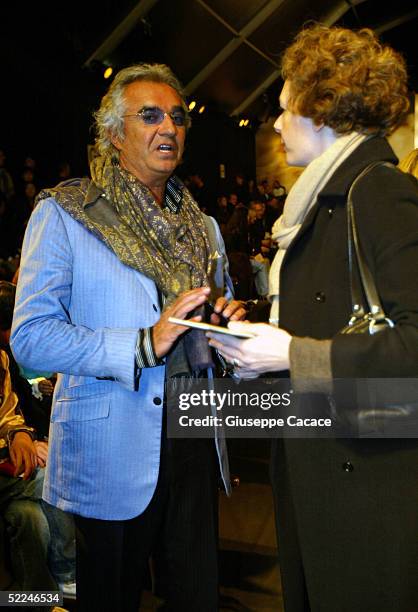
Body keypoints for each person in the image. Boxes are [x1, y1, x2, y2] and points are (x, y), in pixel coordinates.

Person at [11, 63, 245, 612]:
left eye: (178, 117)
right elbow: (31, 339)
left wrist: (225, 333)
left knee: (195, 596)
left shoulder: (203, 226)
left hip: (193, 435)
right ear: (115, 134)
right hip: (109, 447)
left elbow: (211, 327)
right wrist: (142, 343)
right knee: (109, 598)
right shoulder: (66, 211)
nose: (170, 127)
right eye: (151, 116)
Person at [207, 24, 418, 612]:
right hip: (324, 468)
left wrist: (289, 355)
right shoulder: (322, 207)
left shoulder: (376, 195)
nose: (274, 123)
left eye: (282, 108)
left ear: (321, 109)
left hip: (368, 487)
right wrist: (260, 359)